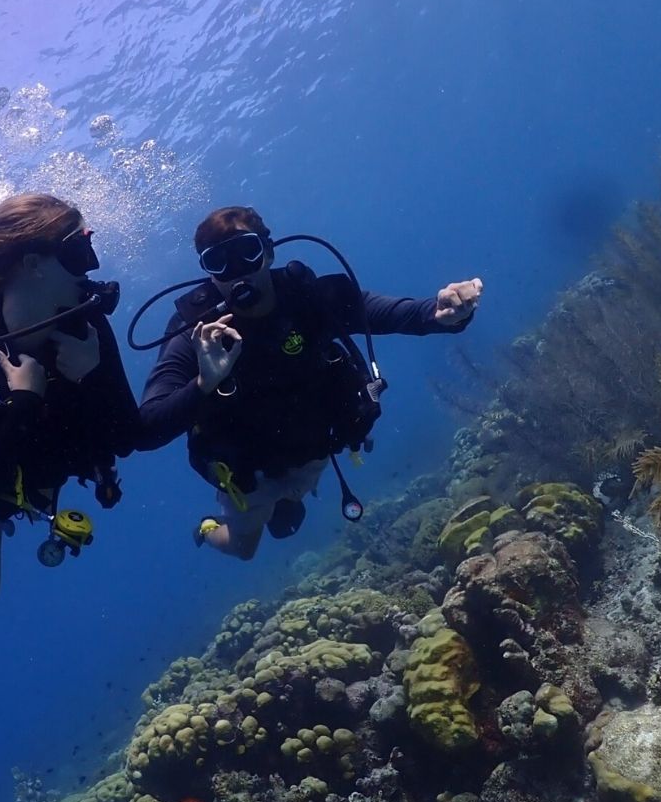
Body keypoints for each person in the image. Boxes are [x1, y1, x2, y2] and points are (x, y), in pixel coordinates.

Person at [138, 206, 483, 561]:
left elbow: (393, 312)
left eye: (247, 252)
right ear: (209, 274)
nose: (236, 272)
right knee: (244, 549)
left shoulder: (311, 300)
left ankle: (287, 502)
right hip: (249, 475)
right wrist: (203, 383)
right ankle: (208, 529)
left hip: (312, 452)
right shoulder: (195, 335)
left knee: (289, 516)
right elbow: (147, 427)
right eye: (219, 262)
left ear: (269, 252)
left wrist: (441, 314)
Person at [0, 193, 138, 610]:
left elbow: (128, 436)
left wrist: (91, 375)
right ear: (34, 264)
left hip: (35, 479)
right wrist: (23, 401)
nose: (91, 266)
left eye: (89, 246)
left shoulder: (85, 323)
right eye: (78, 251)